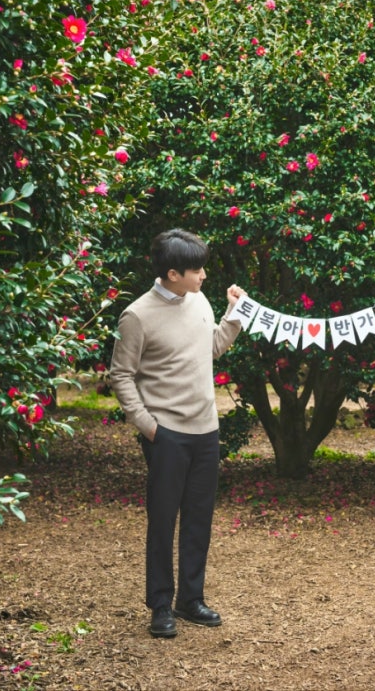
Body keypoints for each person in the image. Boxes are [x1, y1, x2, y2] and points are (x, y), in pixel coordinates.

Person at [110, 228, 246, 639]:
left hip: (206, 431)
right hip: (166, 435)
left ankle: (190, 600)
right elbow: (121, 375)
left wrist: (234, 314)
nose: (204, 275)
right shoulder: (137, 316)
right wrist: (149, 427)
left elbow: (211, 348)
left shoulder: (199, 300)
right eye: (197, 269)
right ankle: (160, 606)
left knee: (199, 520)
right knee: (163, 521)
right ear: (173, 274)